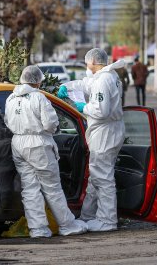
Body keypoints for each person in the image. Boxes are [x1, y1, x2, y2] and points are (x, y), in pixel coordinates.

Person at [4, 65, 88, 238]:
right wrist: (48, 131)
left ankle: (38, 229)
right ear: (38, 81)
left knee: (29, 188)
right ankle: (67, 225)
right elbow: (51, 123)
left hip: (17, 143)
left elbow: (7, 120)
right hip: (38, 142)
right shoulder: (39, 98)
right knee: (52, 187)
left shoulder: (11, 97)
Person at [57, 48, 125, 232]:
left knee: (103, 177)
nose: (87, 66)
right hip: (109, 131)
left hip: (105, 132)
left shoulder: (104, 80)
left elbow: (100, 111)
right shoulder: (107, 77)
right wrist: (69, 86)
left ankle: (107, 220)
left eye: (87, 62)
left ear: (94, 61)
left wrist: (83, 107)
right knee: (97, 175)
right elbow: (87, 84)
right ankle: (90, 215)